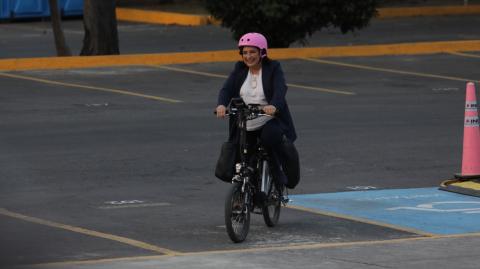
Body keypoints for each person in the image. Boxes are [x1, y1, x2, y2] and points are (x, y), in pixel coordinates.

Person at [215, 32, 299, 189]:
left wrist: (273, 106)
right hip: (246, 120)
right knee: (243, 155)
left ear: (262, 52)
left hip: (269, 118)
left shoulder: (273, 68)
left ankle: (277, 174)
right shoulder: (239, 69)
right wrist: (221, 105)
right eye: (245, 52)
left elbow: (280, 89)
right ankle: (244, 190)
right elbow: (227, 89)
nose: (248, 56)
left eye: (252, 52)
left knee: (269, 139)